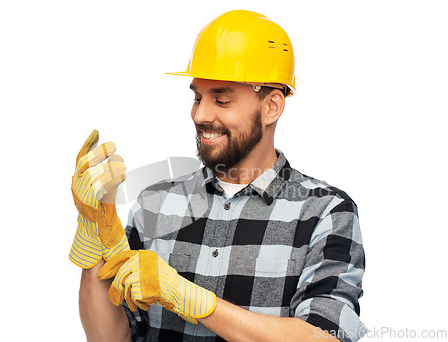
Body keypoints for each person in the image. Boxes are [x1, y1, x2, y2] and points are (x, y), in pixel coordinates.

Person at [69, 10, 367, 342]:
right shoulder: (154, 205)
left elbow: (323, 338)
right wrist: (94, 228)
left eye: (221, 100)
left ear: (271, 106)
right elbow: (109, 338)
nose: (200, 114)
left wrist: (191, 298)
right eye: (197, 97)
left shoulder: (324, 212)